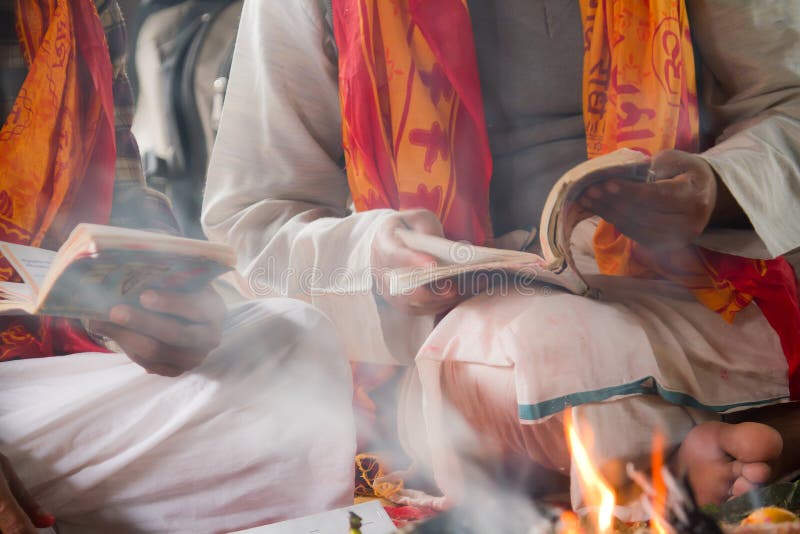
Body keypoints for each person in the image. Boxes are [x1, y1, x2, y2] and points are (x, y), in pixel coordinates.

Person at [203, 0, 800, 516]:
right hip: (453, 330)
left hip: (702, 286)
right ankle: (739, 445)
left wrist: (713, 188)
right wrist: (375, 262)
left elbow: (788, 105)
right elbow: (253, 228)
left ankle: (671, 458)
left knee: (526, 362)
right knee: (516, 350)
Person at [0, 1, 355, 532]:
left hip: (42, 383)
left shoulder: (79, 10)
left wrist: (157, 299)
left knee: (290, 342)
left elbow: (117, 198)